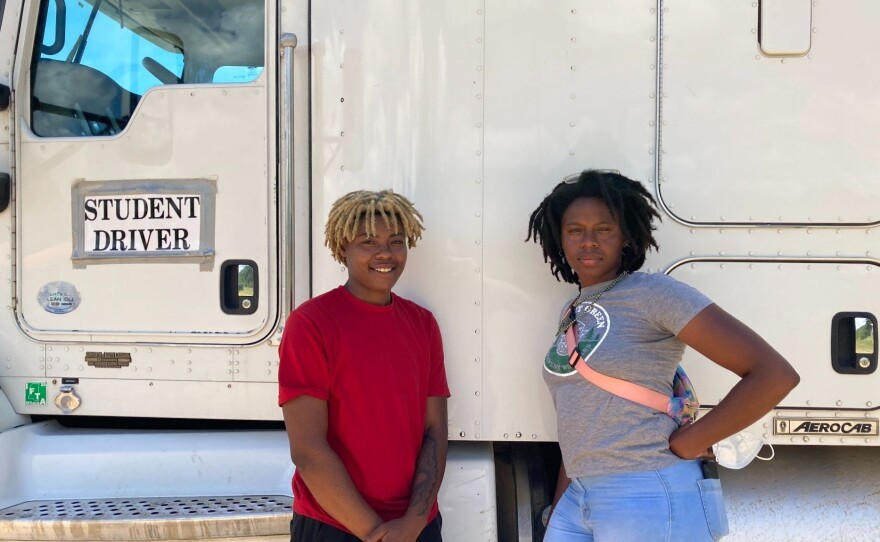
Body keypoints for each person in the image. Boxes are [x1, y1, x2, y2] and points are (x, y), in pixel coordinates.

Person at [527, 169, 800, 541]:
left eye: (603, 228)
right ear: (560, 238)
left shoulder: (654, 293)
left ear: (624, 236)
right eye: (575, 230)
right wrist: (563, 502)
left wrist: (689, 441)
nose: (588, 241)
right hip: (580, 497)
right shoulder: (572, 311)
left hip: (647, 490)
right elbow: (579, 415)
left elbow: (773, 374)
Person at [278, 189, 450, 542]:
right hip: (336, 526)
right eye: (368, 242)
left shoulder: (423, 324)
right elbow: (308, 449)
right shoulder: (311, 323)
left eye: (396, 241)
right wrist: (375, 533)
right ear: (343, 249)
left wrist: (414, 522)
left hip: (415, 526)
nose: (385, 253)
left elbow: (434, 432)